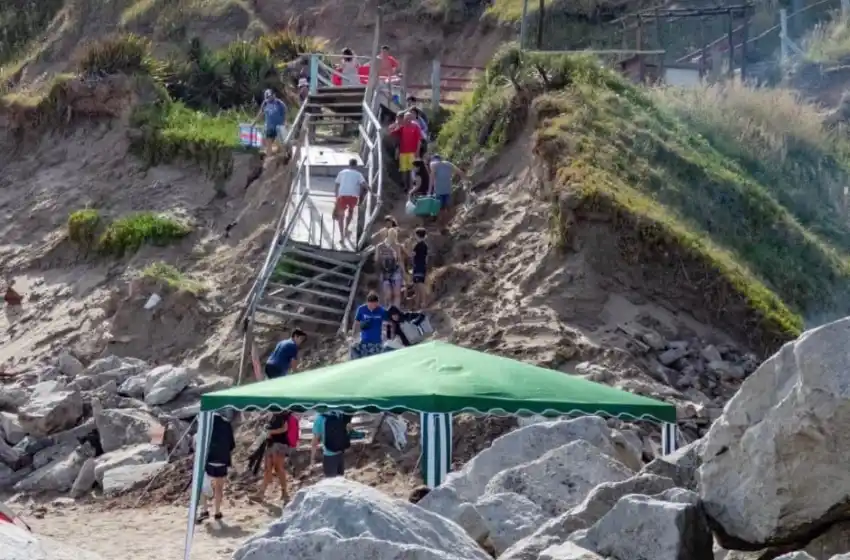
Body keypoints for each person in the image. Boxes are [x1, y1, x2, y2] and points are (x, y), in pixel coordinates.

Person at [197, 410, 236, 522]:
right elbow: (232, 444)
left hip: (207, 459)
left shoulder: (206, 424)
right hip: (223, 460)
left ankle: (204, 510)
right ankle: (217, 512)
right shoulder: (226, 423)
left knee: (204, 485)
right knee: (219, 487)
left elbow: (200, 442)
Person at [252, 411, 293, 503]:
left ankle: (284, 493)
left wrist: (271, 431)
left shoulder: (284, 415)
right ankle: (261, 494)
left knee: (278, 468)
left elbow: (284, 428)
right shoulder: (273, 416)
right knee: (267, 469)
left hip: (279, 445)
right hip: (270, 444)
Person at [334, 158, 368, 242]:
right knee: (351, 211)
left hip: (342, 195)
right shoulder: (358, 174)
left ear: (349, 164)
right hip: (353, 196)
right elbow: (364, 184)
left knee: (341, 215)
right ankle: (346, 228)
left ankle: (342, 235)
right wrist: (372, 192)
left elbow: (337, 184)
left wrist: (336, 195)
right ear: (356, 165)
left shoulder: (342, 172)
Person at [311, 410, 352, 478]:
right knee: (340, 480)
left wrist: (312, 459)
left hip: (329, 455)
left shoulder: (320, 418)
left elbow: (315, 442)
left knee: (331, 482)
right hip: (340, 453)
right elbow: (348, 429)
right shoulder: (338, 414)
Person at [430, 154, 466, 226]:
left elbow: (432, 177)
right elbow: (460, 172)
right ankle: (447, 223)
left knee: (440, 208)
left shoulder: (433, 165)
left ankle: (441, 225)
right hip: (448, 189)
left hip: (439, 190)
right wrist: (466, 179)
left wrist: (430, 189)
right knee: (447, 207)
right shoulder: (448, 164)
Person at [389, 111, 422, 191]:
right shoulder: (402, 127)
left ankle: (411, 187)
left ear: (411, 119)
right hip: (403, 152)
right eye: (406, 118)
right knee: (403, 170)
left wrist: (417, 151)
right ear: (404, 119)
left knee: (411, 171)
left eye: (409, 118)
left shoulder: (415, 127)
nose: (407, 120)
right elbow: (391, 133)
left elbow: (419, 140)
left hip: (412, 152)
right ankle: (405, 187)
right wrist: (397, 124)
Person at [375, 228, 406, 308]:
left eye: (394, 235)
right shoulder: (380, 246)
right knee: (388, 294)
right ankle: (388, 309)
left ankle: (395, 310)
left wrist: (404, 272)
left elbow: (399, 260)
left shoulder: (397, 246)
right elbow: (377, 260)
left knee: (396, 294)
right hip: (385, 271)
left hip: (395, 270)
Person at [351, 291, 387, 359]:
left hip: (376, 343)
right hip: (364, 341)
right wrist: (353, 336)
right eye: (370, 306)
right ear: (367, 303)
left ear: (377, 303)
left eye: (374, 306)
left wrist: (387, 336)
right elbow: (356, 323)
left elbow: (388, 324)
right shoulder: (361, 309)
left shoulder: (381, 311)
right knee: (353, 348)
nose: (372, 308)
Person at [252, 89, 286, 155]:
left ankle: (282, 158)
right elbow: (260, 114)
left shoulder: (279, 103)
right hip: (269, 127)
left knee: (280, 144)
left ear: (274, 95)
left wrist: (285, 122)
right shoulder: (265, 103)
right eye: (267, 97)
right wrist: (254, 122)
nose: (269, 98)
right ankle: (268, 158)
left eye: (270, 96)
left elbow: (285, 112)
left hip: (279, 127)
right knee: (268, 144)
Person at [411, 227, 428, 309]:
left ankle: (423, 303)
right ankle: (417, 304)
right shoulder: (424, 245)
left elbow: (412, 255)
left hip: (418, 266)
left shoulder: (418, 245)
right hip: (421, 266)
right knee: (417, 285)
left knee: (420, 285)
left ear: (417, 235)